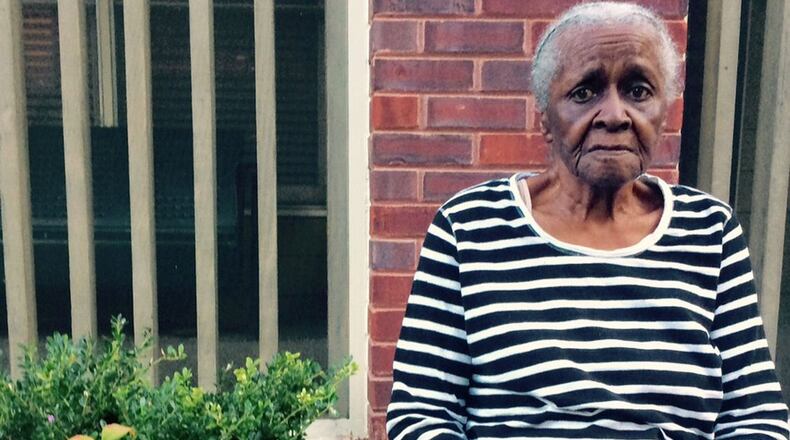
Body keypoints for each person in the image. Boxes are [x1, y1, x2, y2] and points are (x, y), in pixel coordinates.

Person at [385, 2, 790, 439]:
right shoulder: (469, 228)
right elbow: (420, 416)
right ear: (545, 117)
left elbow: (757, 418)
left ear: (664, 110)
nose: (615, 116)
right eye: (584, 92)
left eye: (638, 91)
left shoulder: (709, 232)